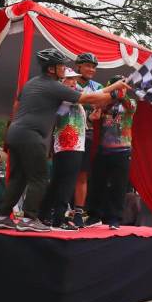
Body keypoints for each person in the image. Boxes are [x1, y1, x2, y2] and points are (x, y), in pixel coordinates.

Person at [0, 49, 129, 232]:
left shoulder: (32, 83)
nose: (65, 69)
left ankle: (1, 216)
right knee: (39, 178)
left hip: (16, 132)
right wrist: (115, 94)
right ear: (51, 69)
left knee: (19, 177)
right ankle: (30, 219)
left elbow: (16, 105)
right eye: (62, 66)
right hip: (33, 135)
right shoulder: (53, 85)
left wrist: (16, 126)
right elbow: (88, 98)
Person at [84, 75, 137, 230]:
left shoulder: (130, 103)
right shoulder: (104, 104)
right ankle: (94, 215)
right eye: (117, 86)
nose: (120, 88)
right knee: (97, 184)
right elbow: (95, 105)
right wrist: (111, 95)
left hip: (123, 150)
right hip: (104, 149)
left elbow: (130, 106)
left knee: (119, 186)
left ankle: (115, 218)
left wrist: (121, 95)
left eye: (122, 86)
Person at [39, 67, 88, 231]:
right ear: (62, 81)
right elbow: (59, 115)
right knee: (66, 183)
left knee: (57, 182)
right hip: (69, 145)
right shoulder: (64, 97)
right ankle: (59, 219)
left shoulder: (70, 97)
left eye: (75, 79)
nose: (74, 82)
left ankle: (43, 215)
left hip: (69, 145)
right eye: (70, 79)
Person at [73, 52, 102, 228]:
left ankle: (78, 212)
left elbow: (98, 110)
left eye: (93, 67)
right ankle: (57, 209)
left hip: (87, 133)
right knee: (64, 173)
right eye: (87, 65)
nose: (91, 69)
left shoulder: (97, 86)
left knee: (82, 174)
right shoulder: (69, 81)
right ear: (79, 66)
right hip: (67, 132)